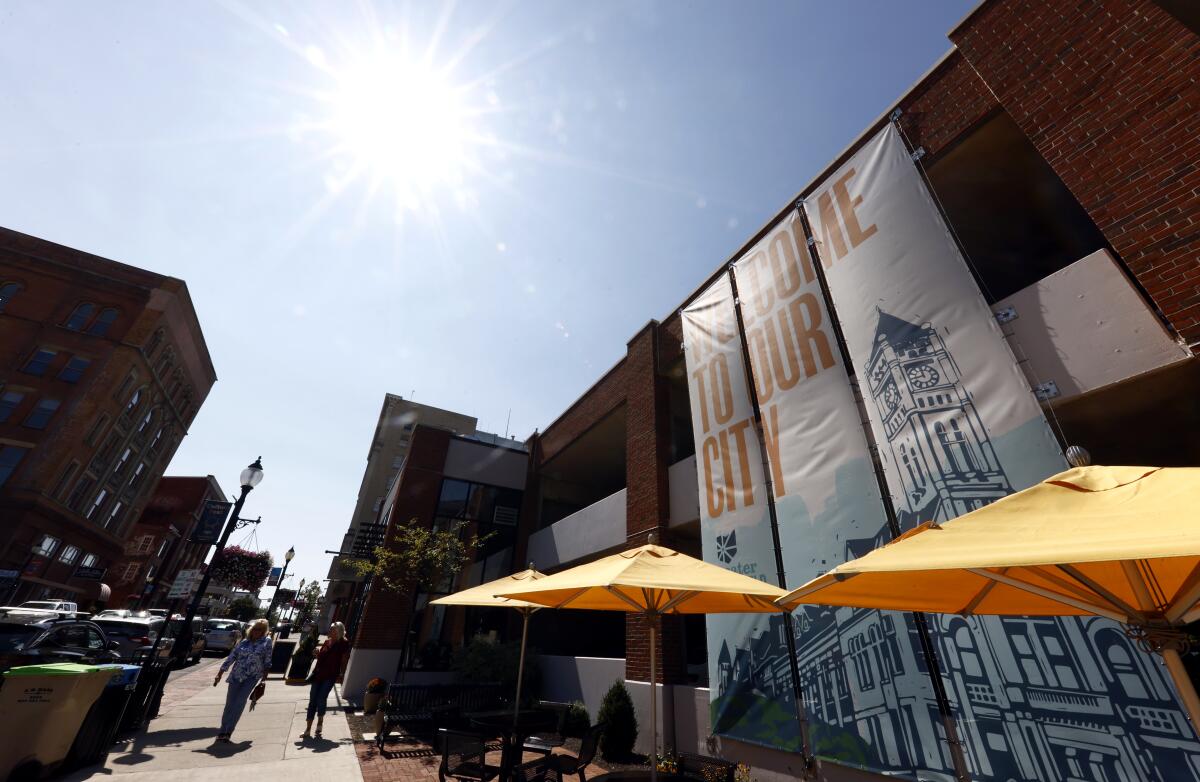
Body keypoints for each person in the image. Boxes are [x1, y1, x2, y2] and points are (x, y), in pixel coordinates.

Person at [213, 617, 272, 742]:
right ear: (252, 629)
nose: (257, 631)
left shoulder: (266, 642)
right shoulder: (244, 642)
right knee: (229, 704)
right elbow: (232, 657)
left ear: (264, 631)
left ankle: (229, 731)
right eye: (256, 629)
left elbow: (267, 660)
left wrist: (264, 679)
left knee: (239, 703)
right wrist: (220, 673)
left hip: (252, 676)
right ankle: (222, 730)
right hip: (236, 675)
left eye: (261, 630)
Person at [301, 622, 350, 739]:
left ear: (338, 631)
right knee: (312, 699)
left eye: (332, 629)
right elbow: (321, 657)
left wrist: (342, 674)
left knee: (321, 698)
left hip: (331, 675)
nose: (330, 630)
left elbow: (344, 660)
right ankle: (308, 729)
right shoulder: (327, 642)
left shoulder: (343, 643)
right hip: (318, 674)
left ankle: (320, 721)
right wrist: (316, 653)